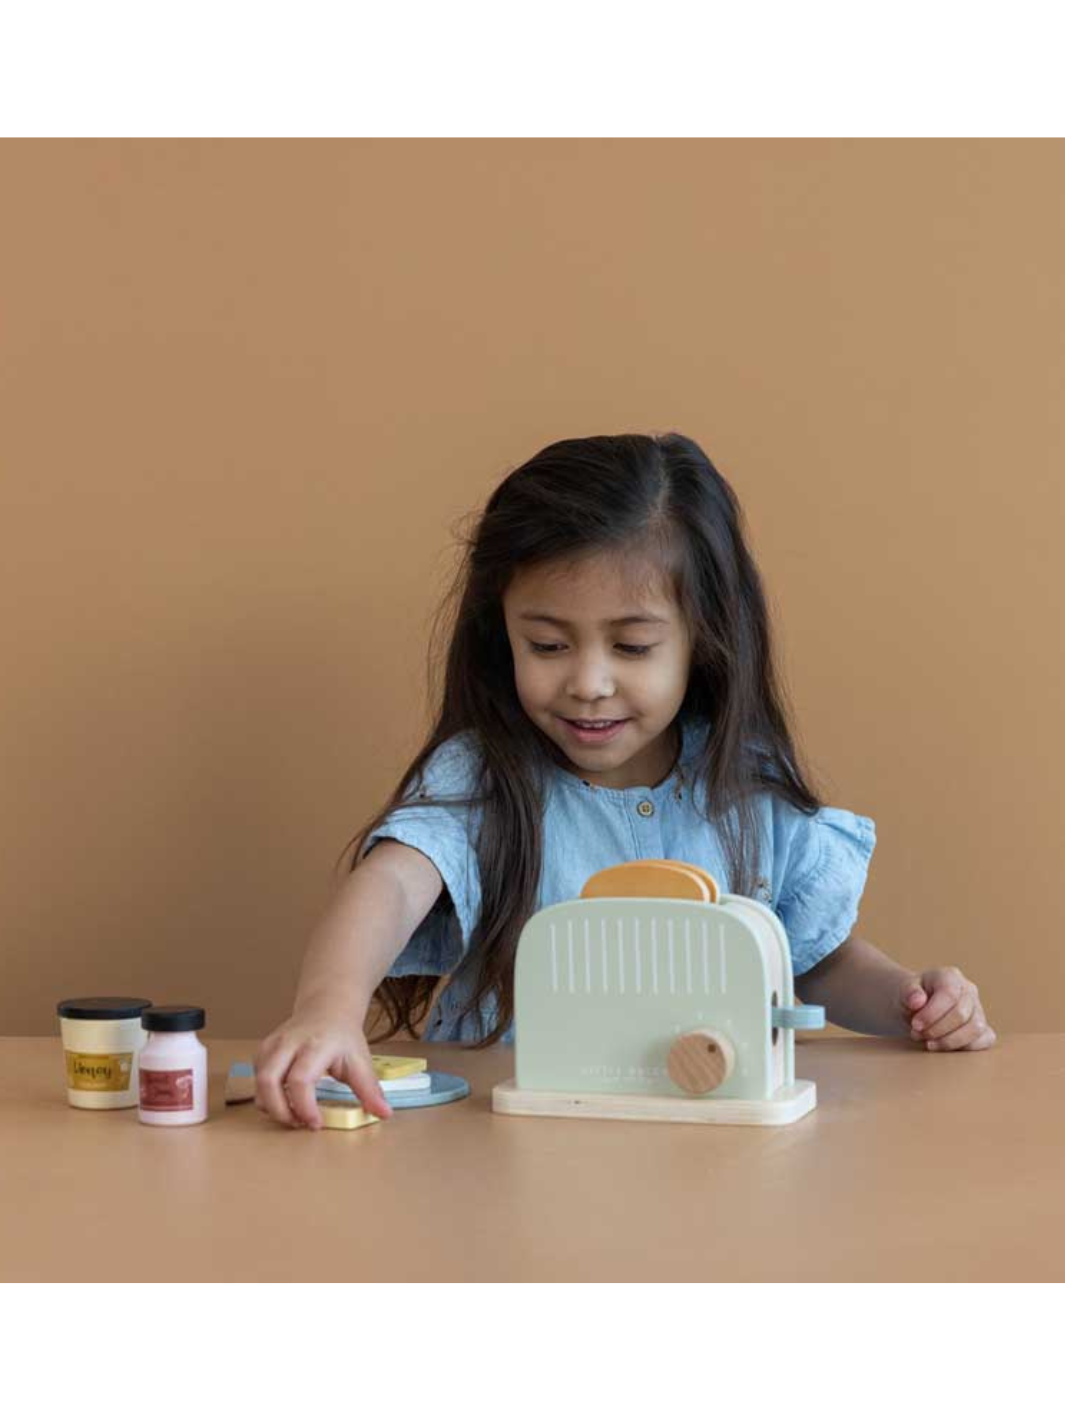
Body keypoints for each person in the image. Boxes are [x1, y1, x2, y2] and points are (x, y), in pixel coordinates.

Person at [255, 432, 996, 1129]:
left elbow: (816, 961)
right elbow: (390, 884)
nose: (588, 682)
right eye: (546, 643)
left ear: (703, 636)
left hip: (712, 1143)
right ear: (500, 631)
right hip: (508, 1138)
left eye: (632, 645)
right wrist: (329, 1006)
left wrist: (911, 1002)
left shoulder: (744, 785)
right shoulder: (485, 777)